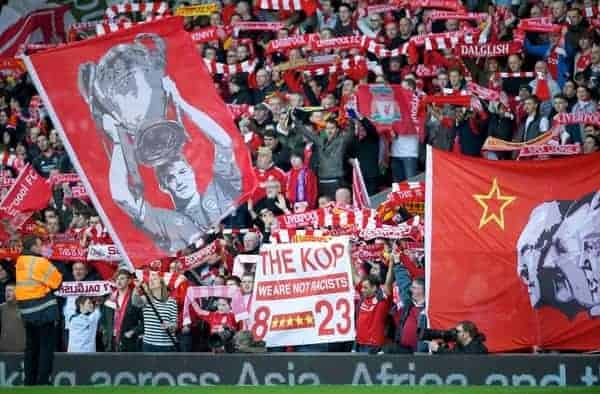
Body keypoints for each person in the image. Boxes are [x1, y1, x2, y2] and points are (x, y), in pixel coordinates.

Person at [15, 235, 63, 385]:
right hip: (43, 310)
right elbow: (57, 282)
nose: (42, 247)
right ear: (34, 247)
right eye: (40, 245)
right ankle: (43, 381)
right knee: (46, 347)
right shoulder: (40, 262)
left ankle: (29, 381)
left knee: (31, 348)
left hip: (26, 312)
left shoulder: (20, 261)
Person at [353, 258, 394, 354]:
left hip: (374, 346)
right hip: (359, 344)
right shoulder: (364, 296)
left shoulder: (382, 300)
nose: (362, 290)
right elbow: (355, 277)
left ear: (374, 288)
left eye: (365, 288)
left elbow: (389, 282)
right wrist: (348, 254)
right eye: (362, 287)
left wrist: (391, 264)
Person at [132, 271, 179, 352]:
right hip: (149, 345)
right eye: (150, 280)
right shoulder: (146, 299)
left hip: (168, 345)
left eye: (155, 279)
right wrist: (136, 288)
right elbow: (135, 302)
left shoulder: (172, 301)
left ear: (161, 283)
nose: (151, 281)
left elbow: (175, 324)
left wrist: (170, 326)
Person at [101, 269, 143, 352]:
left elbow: (144, 322)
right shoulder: (109, 299)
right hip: (110, 342)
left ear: (129, 281)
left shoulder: (135, 298)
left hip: (128, 341)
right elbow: (103, 320)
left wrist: (133, 331)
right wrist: (105, 333)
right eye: (117, 279)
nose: (119, 281)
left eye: (122, 278)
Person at [0, 282, 26, 352]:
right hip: (3, 350)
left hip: (22, 350)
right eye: (6, 291)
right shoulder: (1, 308)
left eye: (10, 290)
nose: (7, 293)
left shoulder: (25, 308)